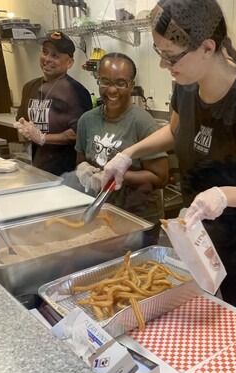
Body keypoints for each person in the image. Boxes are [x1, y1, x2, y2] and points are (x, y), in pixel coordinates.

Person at [102, 0, 236, 321]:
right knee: (200, 320)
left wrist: (224, 194)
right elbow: (176, 131)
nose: (164, 65)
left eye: (171, 56)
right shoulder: (187, 84)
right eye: (159, 52)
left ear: (207, 47)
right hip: (199, 236)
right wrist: (128, 154)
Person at [71, 52, 168, 245]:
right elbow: (82, 161)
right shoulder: (87, 120)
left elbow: (161, 178)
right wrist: (84, 172)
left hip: (138, 217)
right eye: (105, 82)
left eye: (121, 83)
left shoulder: (142, 122)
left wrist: (115, 177)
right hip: (102, 213)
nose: (112, 90)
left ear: (132, 85)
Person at [15, 31, 92, 176]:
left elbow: (80, 134)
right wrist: (23, 127)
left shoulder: (76, 91)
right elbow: (24, 121)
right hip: (38, 167)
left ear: (69, 63)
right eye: (45, 52)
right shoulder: (30, 87)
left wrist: (43, 138)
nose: (47, 59)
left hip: (65, 173)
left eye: (55, 55)